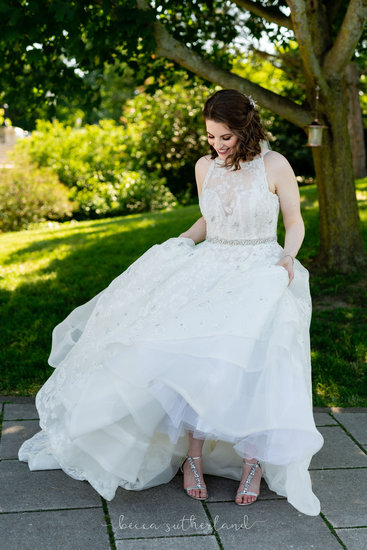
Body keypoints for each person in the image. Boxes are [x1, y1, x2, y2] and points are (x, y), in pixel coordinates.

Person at [19, 89, 324, 516]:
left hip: (261, 269)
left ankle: (253, 462)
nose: (217, 145)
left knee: (260, 367)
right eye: (211, 137)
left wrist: (286, 257)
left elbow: (293, 221)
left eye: (225, 137)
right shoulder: (205, 167)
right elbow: (208, 218)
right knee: (195, 360)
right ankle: (192, 458)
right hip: (211, 267)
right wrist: (179, 244)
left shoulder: (274, 165)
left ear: (245, 128)